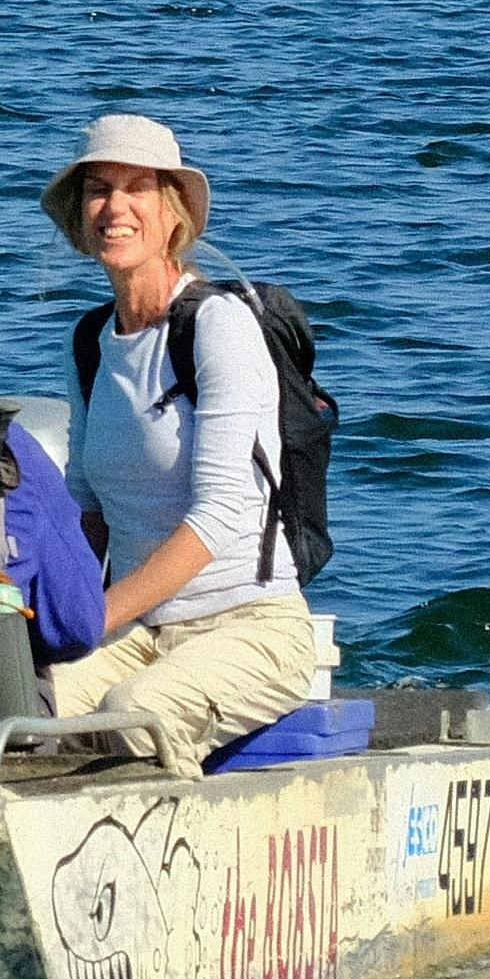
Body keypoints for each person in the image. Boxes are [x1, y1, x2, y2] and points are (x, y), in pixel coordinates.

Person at [40, 114, 314, 772]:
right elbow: (86, 508)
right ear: (79, 216)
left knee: (138, 711)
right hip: (140, 633)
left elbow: (217, 516)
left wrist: (92, 617)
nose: (114, 207)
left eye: (138, 188)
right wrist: (38, 619)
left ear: (172, 214)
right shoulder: (88, 341)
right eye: (98, 190)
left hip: (250, 627)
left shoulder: (218, 326)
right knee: (10, 705)